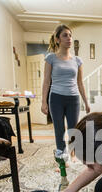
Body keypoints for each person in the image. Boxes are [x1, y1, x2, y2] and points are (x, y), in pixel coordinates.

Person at [41, 24, 91, 158]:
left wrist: (86, 102)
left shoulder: (77, 60)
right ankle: (61, 153)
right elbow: (46, 82)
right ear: (57, 39)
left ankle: (73, 152)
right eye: (65, 35)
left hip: (73, 98)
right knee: (59, 128)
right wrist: (43, 102)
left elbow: (80, 82)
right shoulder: (51, 58)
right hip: (56, 97)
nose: (69, 38)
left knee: (73, 129)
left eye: (70, 35)